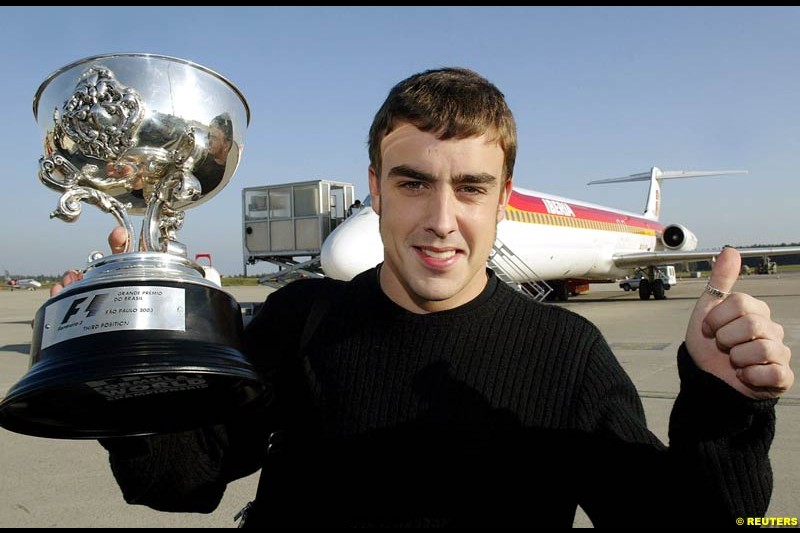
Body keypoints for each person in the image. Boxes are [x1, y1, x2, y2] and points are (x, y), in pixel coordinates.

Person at [54, 67, 793, 527]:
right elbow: (180, 485)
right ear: (374, 187)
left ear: (502, 198)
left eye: (470, 186)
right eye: (412, 181)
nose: (441, 219)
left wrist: (724, 409)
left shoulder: (566, 354)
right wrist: (123, 359)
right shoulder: (299, 320)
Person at [192, 113, 233, 195]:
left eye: (214, 138)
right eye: (209, 137)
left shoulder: (226, 174)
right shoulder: (201, 162)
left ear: (226, 145)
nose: (209, 142)